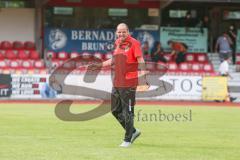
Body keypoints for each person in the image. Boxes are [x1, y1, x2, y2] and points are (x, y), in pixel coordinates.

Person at [89, 23, 147, 147]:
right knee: (114, 110)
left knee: (128, 112)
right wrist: (99, 65)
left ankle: (127, 140)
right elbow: (113, 60)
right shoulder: (117, 43)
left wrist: (143, 77)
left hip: (129, 83)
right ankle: (133, 131)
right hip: (117, 82)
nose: (121, 34)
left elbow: (140, 59)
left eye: (123, 32)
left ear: (128, 32)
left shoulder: (134, 43)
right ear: (116, 32)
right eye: (119, 32)